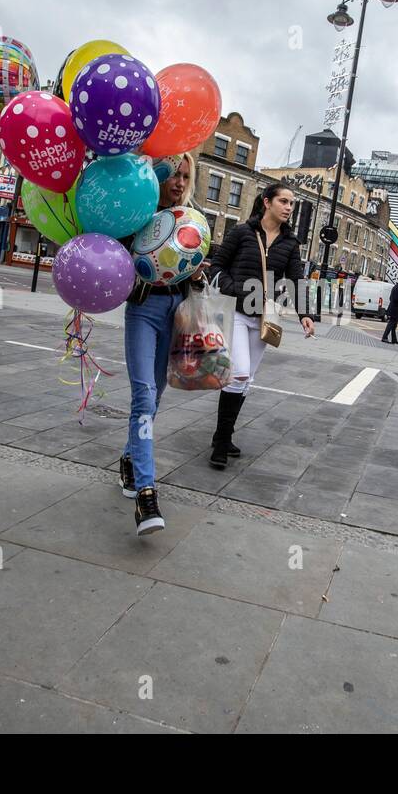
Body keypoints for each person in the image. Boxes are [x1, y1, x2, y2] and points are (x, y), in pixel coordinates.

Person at [118, 153, 206, 535]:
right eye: (173, 174)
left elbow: (200, 265)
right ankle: (146, 494)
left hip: (177, 309)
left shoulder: (190, 218)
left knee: (155, 399)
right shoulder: (138, 215)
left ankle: (128, 459)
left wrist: (198, 272)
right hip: (143, 309)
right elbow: (117, 261)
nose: (179, 182)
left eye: (186, 176)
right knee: (143, 394)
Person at [207, 182, 315, 468]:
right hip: (238, 314)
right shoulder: (242, 233)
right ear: (267, 202)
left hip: (267, 317)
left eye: (292, 203)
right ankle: (219, 441)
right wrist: (235, 288)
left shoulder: (290, 244)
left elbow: (295, 279)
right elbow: (217, 266)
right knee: (239, 372)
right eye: (284, 201)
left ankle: (225, 434)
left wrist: (306, 314)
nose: (289, 208)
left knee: (248, 379)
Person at [382, 276, 398, 344]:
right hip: (395, 310)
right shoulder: (397, 288)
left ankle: (394, 339)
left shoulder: (396, 287)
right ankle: (384, 337)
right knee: (391, 324)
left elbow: (391, 298)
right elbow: (395, 298)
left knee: (394, 326)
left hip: (394, 309)